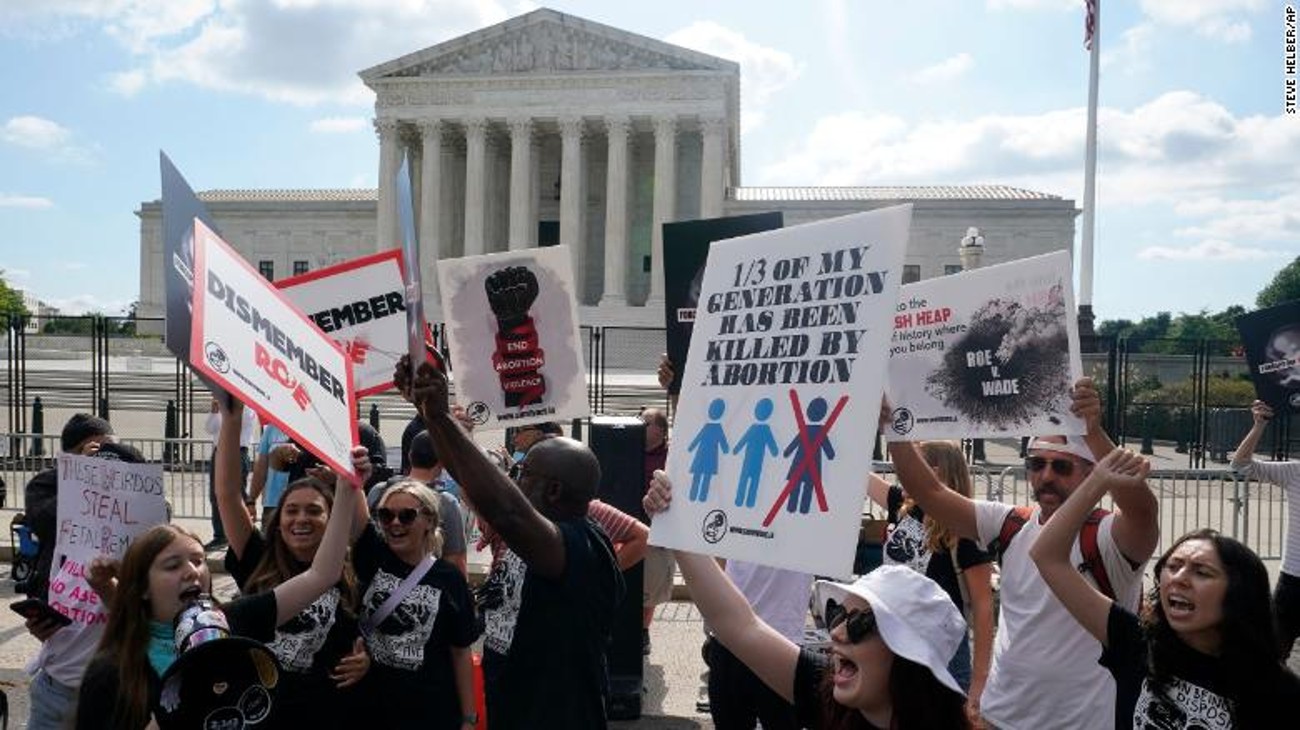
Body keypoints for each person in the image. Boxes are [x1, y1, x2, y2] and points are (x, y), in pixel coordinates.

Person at [886, 377, 1160, 729]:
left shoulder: (1108, 535)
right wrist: (892, 429)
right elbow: (930, 493)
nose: (1046, 476)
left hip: (1082, 721)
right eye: (1036, 464)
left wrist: (1092, 432)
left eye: (1061, 466)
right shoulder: (1010, 523)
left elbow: (1143, 510)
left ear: (1093, 472)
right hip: (1001, 715)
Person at [396, 356, 624, 729]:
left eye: (523, 473)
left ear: (553, 490)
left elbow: (506, 510)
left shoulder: (583, 547)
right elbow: (473, 482)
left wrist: (440, 416)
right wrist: (428, 413)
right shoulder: (538, 536)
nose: (515, 479)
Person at [642, 471, 970, 729]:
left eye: (859, 624)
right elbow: (739, 625)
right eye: (837, 614)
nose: (837, 633)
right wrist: (675, 523)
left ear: (908, 655)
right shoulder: (831, 697)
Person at [71, 443, 362, 729]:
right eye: (173, 565)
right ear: (143, 587)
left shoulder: (231, 622)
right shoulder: (111, 670)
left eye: (198, 561)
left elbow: (322, 575)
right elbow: (225, 493)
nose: (191, 572)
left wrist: (348, 489)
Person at [1031, 448, 1300, 728]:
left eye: (1202, 572)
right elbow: (1047, 555)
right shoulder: (1135, 643)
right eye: (1172, 566)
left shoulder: (1277, 690)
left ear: (1239, 592)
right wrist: (1097, 481)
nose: (1179, 578)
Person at [214, 401, 370, 729]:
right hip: (260, 715)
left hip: (327, 714)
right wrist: (233, 417)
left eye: (314, 511)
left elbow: (368, 635)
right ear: (278, 520)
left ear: (332, 520)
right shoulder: (257, 558)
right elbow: (228, 495)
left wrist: (367, 659)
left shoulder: (350, 571)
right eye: (292, 510)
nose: (301, 519)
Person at [866, 441, 994, 721]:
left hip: (942, 649)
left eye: (910, 465)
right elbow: (860, 476)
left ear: (934, 473)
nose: (901, 472)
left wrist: (980, 681)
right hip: (894, 639)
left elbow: (984, 607)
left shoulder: (966, 526)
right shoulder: (905, 505)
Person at [24, 416, 129, 730]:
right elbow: (45, 521)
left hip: (111, 678)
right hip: (58, 676)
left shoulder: (124, 493)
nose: (104, 459)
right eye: (98, 450)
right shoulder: (46, 484)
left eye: (112, 449)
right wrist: (81, 476)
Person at [354, 480, 479, 730]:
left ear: (430, 521)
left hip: (431, 713)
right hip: (371, 708)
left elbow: (461, 651)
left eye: (407, 516)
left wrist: (469, 719)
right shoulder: (373, 557)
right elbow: (355, 507)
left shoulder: (449, 578)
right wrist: (355, 477)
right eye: (386, 515)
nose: (395, 523)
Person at [1230, 399, 1300, 659]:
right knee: (1269, 663)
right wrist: (1258, 426)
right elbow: (1240, 467)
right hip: (1293, 581)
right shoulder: (1295, 472)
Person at [369, 430, 470, 576]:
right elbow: (455, 563)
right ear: (442, 462)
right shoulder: (446, 503)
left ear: (410, 456)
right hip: (427, 590)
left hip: (377, 586)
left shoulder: (378, 492)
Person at [640, 406, 673, 656]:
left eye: (647, 422)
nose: (641, 425)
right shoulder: (628, 449)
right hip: (629, 530)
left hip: (657, 533)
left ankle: (643, 632)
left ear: (661, 431)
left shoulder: (672, 458)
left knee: (649, 591)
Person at [204, 397, 258, 549]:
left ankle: (245, 534)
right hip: (218, 451)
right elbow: (210, 429)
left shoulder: (247, 407)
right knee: (215, 495)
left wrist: (229, 408)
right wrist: (214, 412)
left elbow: (244, 423)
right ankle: (220, 535)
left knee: (237, 495)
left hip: (237, 452)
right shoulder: (223, 407)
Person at [248, 421, 291, 526]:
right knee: (269, 540)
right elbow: (261, 468)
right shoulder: (272, 428)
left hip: (304, 503)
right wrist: (251, 500)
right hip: (272, 504)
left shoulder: (311, 429)